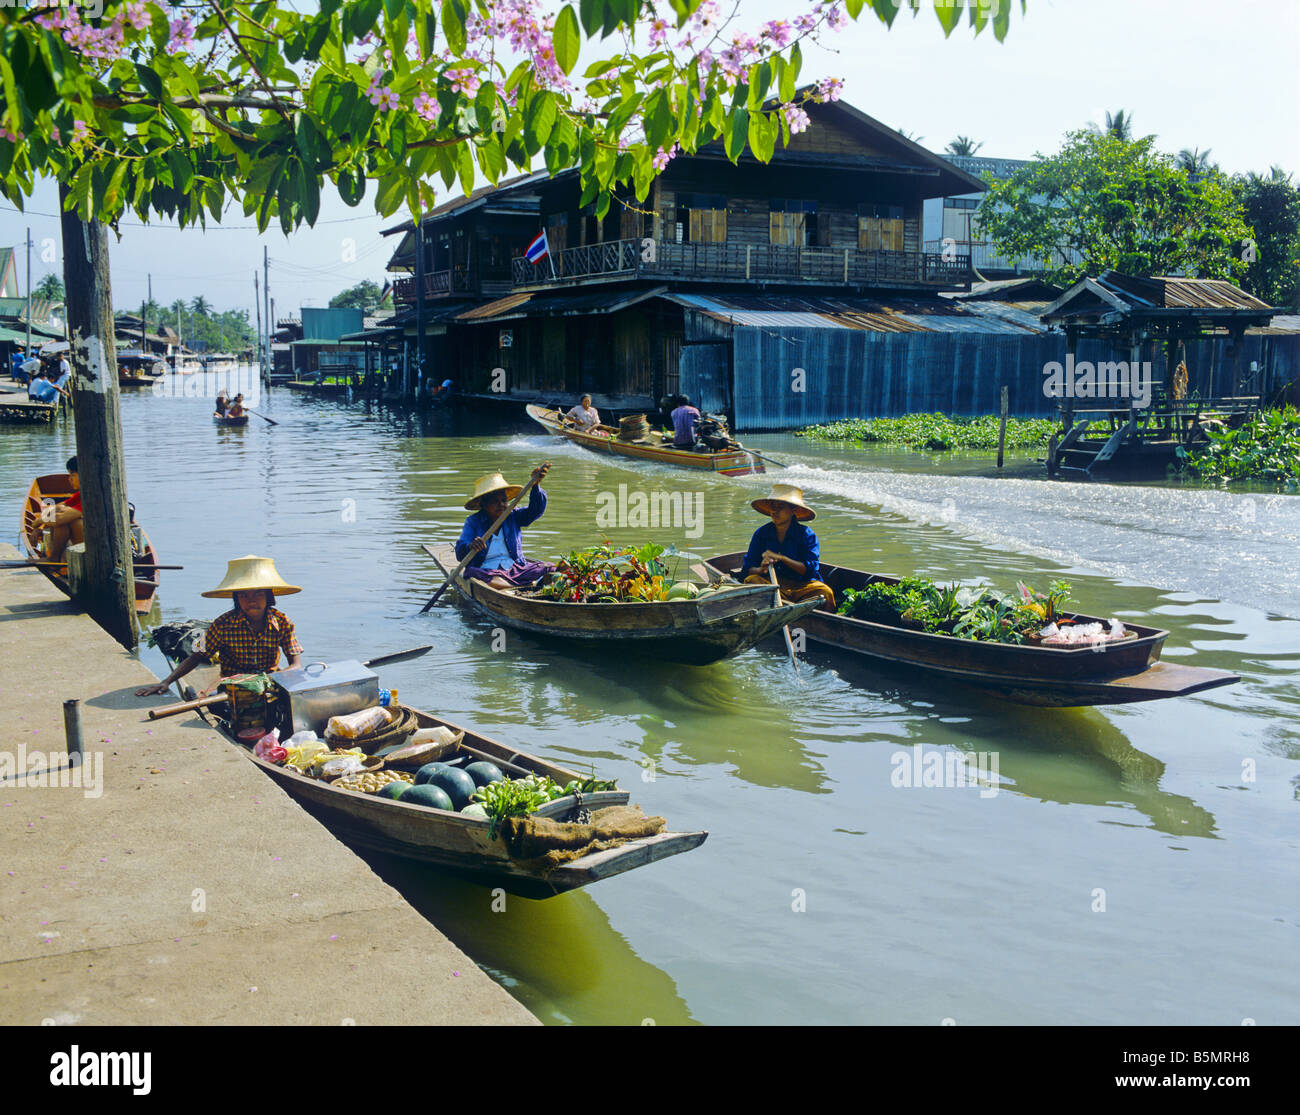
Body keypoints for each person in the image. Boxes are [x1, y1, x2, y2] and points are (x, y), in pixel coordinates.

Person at [135, 555, 304, 697]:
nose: (251, 600)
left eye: (258, 594)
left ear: (269, 597)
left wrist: (274, 679)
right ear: (236, 599)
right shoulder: (223, 624)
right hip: (232, 687)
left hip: (269, 684)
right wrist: (166, 681)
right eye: (244, 595)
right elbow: (196, 656)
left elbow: (296, 664)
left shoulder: (282, 622)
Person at [455, 464, 554, 589]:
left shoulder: (513, 515)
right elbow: (460, 552)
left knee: (551, 568)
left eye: (503, 500)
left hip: (516, 569)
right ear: (484, 504)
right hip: (487, 570)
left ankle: (516, 586)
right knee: (472, 573)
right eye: (495, 501)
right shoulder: (473, 521)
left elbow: (535, 510)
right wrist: (471, 546)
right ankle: (516, 588)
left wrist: (536, 484)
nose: (501, 505)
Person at [740, 483, 837, 611]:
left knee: (826, 592)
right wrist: (762, 570)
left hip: (802, 586)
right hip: (773, 585)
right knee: (751, 580)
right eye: (773, 507)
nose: (774, 511)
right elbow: (747, 569)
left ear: (793, 511)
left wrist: (782, 558)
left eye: (780, 507)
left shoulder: (806, 534)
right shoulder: (761, 534)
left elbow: (809, 570)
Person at [42, 455, 84, 563]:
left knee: (64, 521)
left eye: (72, 475)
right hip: (86, 540)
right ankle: (56, 558)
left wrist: (39, 521)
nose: (69, 479)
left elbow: (60, 519)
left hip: (99, 546)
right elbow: (60, 505)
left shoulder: (91, 494)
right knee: (60, 513)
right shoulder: (81, 494)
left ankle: (54, 559)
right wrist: (39, 528)